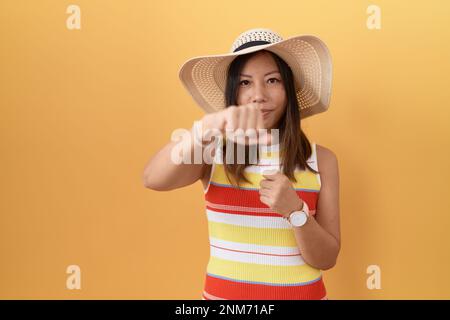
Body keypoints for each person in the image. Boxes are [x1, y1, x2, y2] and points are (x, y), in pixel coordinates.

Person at [143, 28, 340, 300]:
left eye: (272, 80)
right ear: (233, 93)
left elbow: (327, 258)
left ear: (289, 89)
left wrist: (296, 212)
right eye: (245, 83)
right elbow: (153, 178)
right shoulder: (213, 151)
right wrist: (204, 128)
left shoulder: (322, 160)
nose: (258, 95)